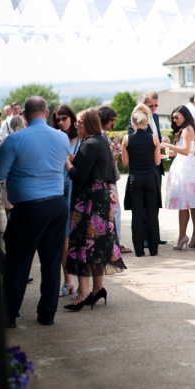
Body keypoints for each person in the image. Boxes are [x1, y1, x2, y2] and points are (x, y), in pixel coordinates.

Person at [0, 96, 70, 328]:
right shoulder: (62, 137)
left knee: (17, 263)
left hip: (28, 208)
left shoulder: (15, 139)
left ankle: (8, 315)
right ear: (47, 114)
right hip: (57, 205)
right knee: (51, 262)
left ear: (24, 115)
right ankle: (47, 313)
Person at [63, 109, 126, 312]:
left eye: (78, 122)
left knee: (83, 244)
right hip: (100, 197)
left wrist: (65, 160)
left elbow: (79, 175)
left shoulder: (90, 144)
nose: (76, 126)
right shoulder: (101, 141)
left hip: (88, 198)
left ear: (85, 123)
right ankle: (98, 288)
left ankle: (83, 293)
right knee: (97, 244)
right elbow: (101, 170)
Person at [122, 104, 162, 257]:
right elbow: (157, 162)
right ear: (146, 122)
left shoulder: (126, 139)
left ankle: (139, 251)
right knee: (152, 214)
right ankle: (153, 249)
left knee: (137, 215)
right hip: (151, 177)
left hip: (135, 178)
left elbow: (125, 163)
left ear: (133, 122)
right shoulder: (153, 138)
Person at [128, 91, 166, 246]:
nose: (154, 108)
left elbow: (155, 140)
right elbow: (133, 141)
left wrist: (162, 144)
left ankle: (153, 236)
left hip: (157, 167)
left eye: (156, 105)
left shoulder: (155, 117)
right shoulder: (134, 119)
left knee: (153, 204)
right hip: (142, 168)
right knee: (142, 206)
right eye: (151, 105)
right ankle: (143, 238)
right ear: (144, 104)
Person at [160, 106, 195, 249]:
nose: (174, 120)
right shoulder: (190, 128)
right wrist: (169, 151)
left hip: (185, 169)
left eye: (177, 117)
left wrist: (168, 145)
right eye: (173, 117)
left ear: (185, 115)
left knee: (185, 204)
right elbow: (187, 151)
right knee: (192, 204)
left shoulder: (186, 129)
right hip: (189, 166)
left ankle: (183, 237)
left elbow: (184, 151)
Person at [53, 104, 82, 297]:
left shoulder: (82, 139)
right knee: (63, 240)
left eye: (64, 118)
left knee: (80, 239)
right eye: (57, 119)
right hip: (60, 189)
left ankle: (82, 282)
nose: (61, 122)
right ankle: (68, 280)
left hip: (78, 190)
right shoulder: (54, 137)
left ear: (71, 118)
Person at [98, 106, 132, 254]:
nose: (113, 123)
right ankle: (114, 244)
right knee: (114, 210)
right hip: (107, 178)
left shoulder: (101, 133)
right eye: (112, 120)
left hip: (108, 177)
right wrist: (114, 147)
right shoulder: (99, 134)